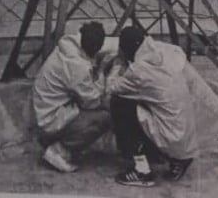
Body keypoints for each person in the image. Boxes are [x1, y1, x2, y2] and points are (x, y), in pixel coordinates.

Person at [107, 26, 199, 187]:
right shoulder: (167, 52)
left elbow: (111, 88)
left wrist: (117, 64)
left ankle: (142, 171)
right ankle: (168, 156)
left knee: (120, 104)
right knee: (147, 102)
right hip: (185, 135)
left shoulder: (139, 71)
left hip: (171, 137)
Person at [32, 21, 110, 173]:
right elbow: (92, 102)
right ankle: (59, 151)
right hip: (50, 120)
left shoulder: (69, 44)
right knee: (104, 117)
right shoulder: (77, 66)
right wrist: (102, 74)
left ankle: (53, 140)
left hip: (44, 110)